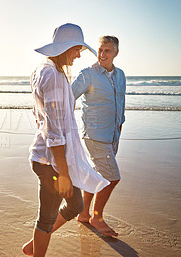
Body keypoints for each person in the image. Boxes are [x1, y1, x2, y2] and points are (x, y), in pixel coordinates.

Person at [22, 23, 110, 257]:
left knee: (76, 205)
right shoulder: (50, 74)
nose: (79, 54)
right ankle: (37, 248)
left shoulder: (50, 71)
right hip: (50, 160)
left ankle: (34, 244)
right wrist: (62, 172)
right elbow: (52, 127)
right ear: (65, 47)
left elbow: (45, 117)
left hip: (55, 156)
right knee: (47, 216)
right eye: (76, 49)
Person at [72, 36, 126, 237]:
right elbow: (69, 97)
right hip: (95, 136)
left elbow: (120, 101)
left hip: (113, 135)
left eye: (107, 51)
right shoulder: (88, 74)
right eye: (100, 50)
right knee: (112, 178)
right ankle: (97, 217)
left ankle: (84, 214)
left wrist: (120, 124)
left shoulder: (120, 75)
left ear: (116, 53)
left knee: (99, 175)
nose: (102, 55)